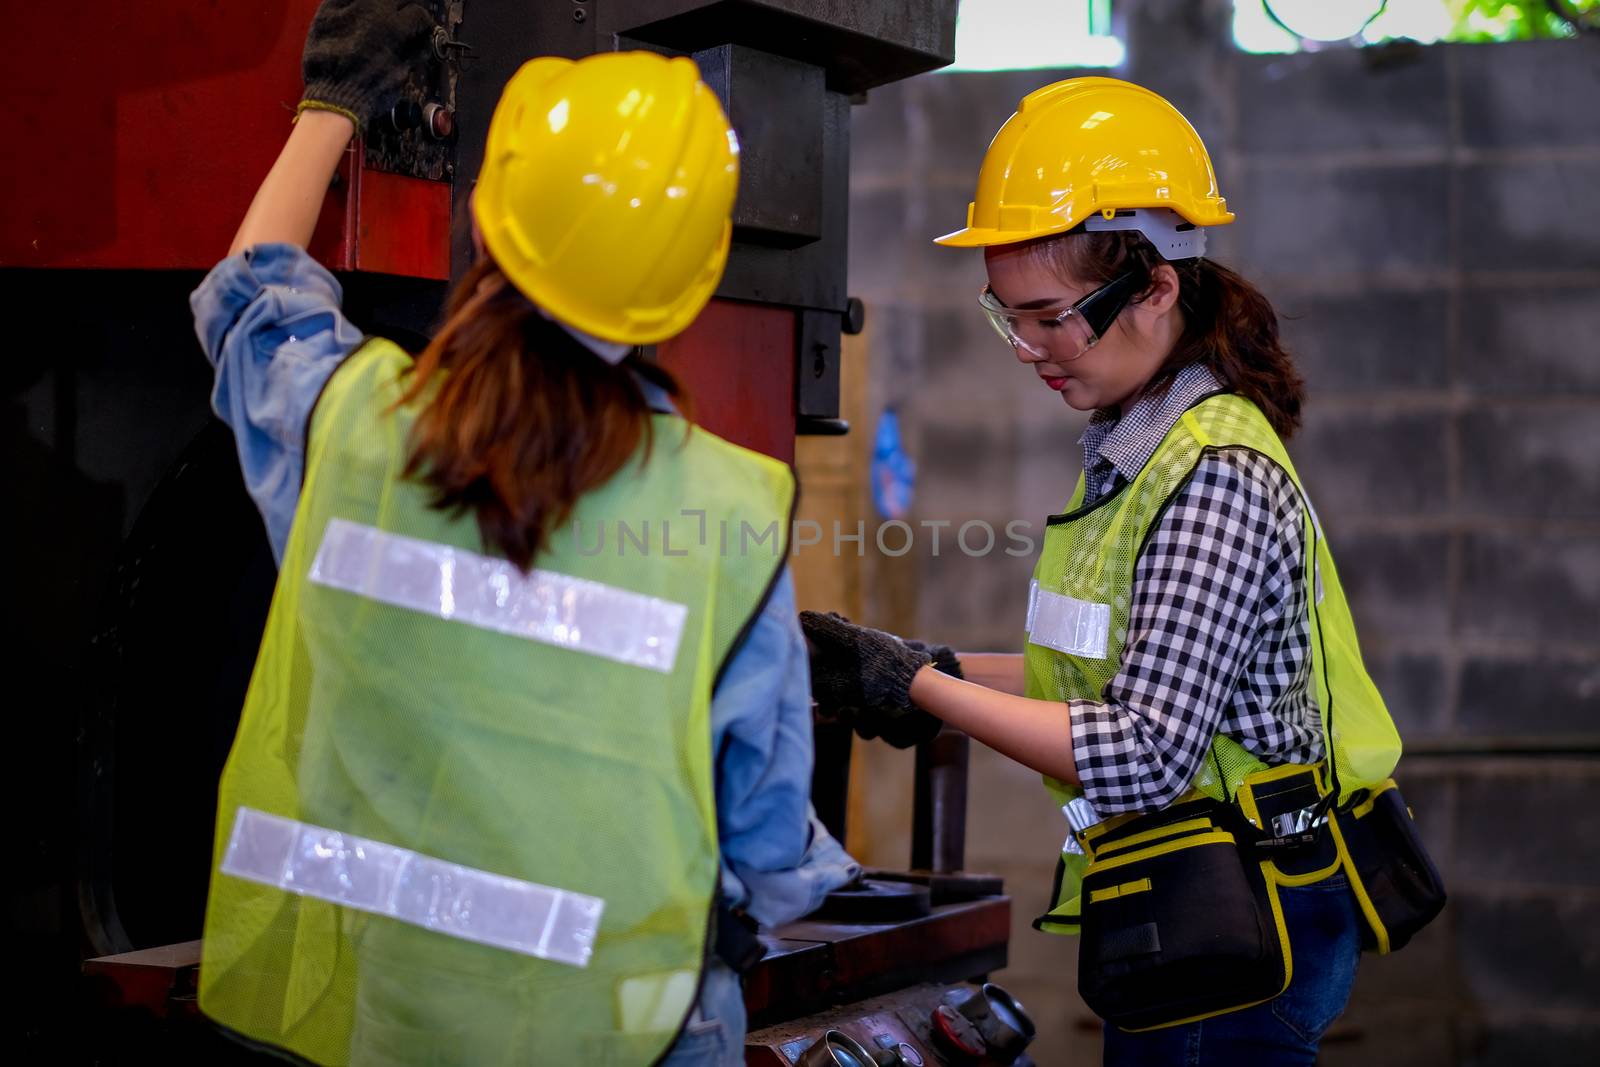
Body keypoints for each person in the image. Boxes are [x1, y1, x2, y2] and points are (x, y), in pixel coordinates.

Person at [191, 4, 856, 1064]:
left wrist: (331, 108)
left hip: (390, 1019)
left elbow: (251, 300)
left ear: (491, 225)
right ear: (680, 295)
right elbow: (771, 851)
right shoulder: (732, 515)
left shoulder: (353, 429)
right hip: (639, 1038)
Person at [802, 76, 1412, 1065]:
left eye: (1049, 315)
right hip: (1198, 900)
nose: (1028, 349)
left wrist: (913, 684)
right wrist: (933, 664)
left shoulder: (1210, 473)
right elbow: (1099, 671)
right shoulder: (1134, 447)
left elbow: (1140, 750)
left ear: (1155, 287)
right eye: (1008, 318)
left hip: (1244, 919)